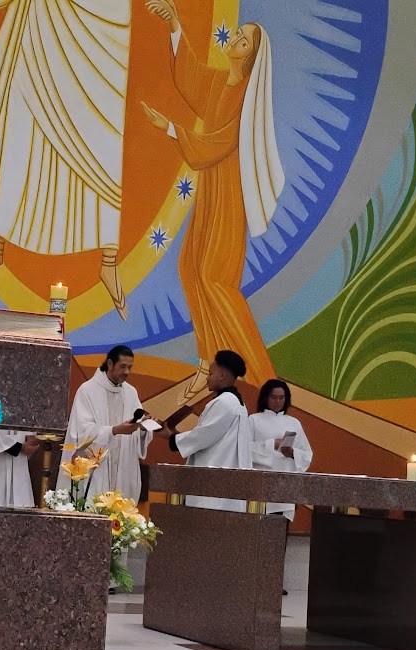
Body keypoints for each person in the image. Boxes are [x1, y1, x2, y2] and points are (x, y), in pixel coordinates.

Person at [0, 0, 131, 317]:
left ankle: (108, 261)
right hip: (45, 22)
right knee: (22, 129)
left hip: (104, 29)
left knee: (100, 139)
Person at [140, 0, 284, 382]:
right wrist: (174, 24)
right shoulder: (220, 83)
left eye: (243, 40)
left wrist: (171, 128)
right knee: (189, 268)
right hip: (210, 189)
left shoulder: (247, 98)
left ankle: (263, 379)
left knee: (215, 278)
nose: (234, 39)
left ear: (250, 57)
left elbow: (220, 142)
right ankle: (209, 363)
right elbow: (190, 77)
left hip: (230, 194)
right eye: (238, 34)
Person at [164, 349, 251, 512]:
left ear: (222, 375)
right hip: (222, 482)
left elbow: (203, 436)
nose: (207, 378)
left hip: (214, 484)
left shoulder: (225, 402)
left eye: (210, 373)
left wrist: (170, 437)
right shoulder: (236, 402)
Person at [66, 345, 152, 502]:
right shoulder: (87, 390)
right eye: (123, 366)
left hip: (123, 470)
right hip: (97, 470)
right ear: (110, 363)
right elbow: (81, 432)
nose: (127, 372)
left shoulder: (131, 392)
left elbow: (137, 432)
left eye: (130, 367)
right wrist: (114, 430)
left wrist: (144, 428)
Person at [248, 378, 313, 519]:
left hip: (285, 487)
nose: (278, 401)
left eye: (281, 398)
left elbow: (307, 454)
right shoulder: (253, 420)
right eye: (274, 397)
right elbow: (244, 450)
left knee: (281, 527)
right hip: (261, 486)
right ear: (266, 398)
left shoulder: (294, 423)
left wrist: (293, 453)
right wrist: (272, 444)